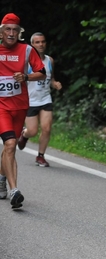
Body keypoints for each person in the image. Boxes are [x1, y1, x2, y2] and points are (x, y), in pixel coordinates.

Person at [0, 13, 46, 208]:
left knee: (9, 148)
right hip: (1, 107)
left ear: (19, 32)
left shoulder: (27, 50)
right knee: (11, 144)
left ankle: (2, 177)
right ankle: (14, 191)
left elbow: (41, 73)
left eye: (15, 30)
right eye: (7, 29)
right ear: (1, 31)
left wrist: (26, 77)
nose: (11, 33)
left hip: (19, 107)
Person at [17, 32, 62, 167]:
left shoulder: (50, 60)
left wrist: (55, 84)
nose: (41, 44)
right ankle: (24, 134)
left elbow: (51, 78)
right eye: (37, 42)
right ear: (32, 45)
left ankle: (40, 156)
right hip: (30, 100)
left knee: (47, 128)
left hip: (45, 98)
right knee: (32, 131)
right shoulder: (26, 62)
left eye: (43, 41)